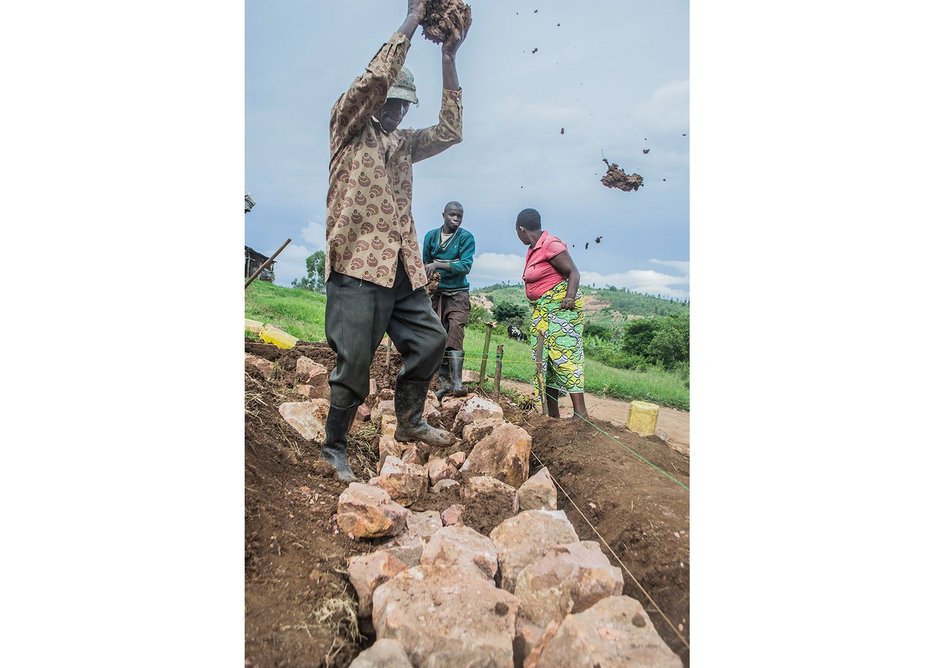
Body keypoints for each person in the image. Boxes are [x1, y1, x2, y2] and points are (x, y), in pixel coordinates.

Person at [320, 0, 471, 481]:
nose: (400, 111)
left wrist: (448, 56)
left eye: (406, 105)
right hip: (358, 269)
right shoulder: (348, 127)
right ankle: (333, 447)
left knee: (430, 340)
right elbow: (371, 82)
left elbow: (450, 130)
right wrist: (412, 20)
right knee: (356, 364)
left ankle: (410, 421)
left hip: (403, 268)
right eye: (394, 101)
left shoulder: (403, 144)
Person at [515, 208, 589, 420]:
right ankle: (552, 416)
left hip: (560, 310)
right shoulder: (534, 248)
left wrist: (569, 298)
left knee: (565, 356)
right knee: (546, 361)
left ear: (521, 229)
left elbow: (573, 272)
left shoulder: (550, 244)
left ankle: (580, 415)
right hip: (544, 311)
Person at [423, 201, 475, 400]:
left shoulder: (466, 238)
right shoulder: (431, 237)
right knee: (439, 336)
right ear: (443, 214)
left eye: (459, 216)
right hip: (437, 294)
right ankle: (444, 383)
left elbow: (465, 266)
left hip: (458, 294)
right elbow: (425, 263)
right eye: (452, 215)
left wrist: (439, 264)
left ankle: (457, 382)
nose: (456, 219)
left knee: (455, 331)